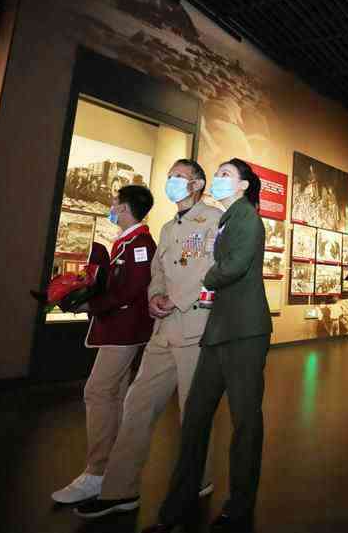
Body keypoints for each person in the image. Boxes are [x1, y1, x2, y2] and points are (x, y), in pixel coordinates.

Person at [75, 160, 223, 518]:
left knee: (193, 411)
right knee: (136, 405)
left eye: (180, 177)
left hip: (195, 330)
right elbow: (157, 270)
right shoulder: (170, 227)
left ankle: (197, 479)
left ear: (198, 183)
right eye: (169, 176)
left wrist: (177, 298)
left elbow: (213, 267)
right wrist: (155, 296)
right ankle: (119, 490)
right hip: (163, 331)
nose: (172, 182)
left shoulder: (214, 220)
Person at [142, 159, 272, 533]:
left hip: (245, 332)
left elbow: (232, 266)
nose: (218, 179)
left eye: (226, 174)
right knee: (195, 418)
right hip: (217, 330)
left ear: (244, 186)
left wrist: (200, 278)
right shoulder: (226, 219)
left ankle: (239, 508)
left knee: (245, 422)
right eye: (216, 173)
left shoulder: (247, 218)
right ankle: (177, 506)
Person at [52, 185, 157, 504]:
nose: (111, 209)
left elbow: (129, 291)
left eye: (114, 204)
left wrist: (90, 305)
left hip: (124, 331)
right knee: (114, 395)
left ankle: (96, 473)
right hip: (116, 328)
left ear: (125, 209)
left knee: (97, 392)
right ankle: (113, 470)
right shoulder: (125, 242)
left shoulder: (140, 245)